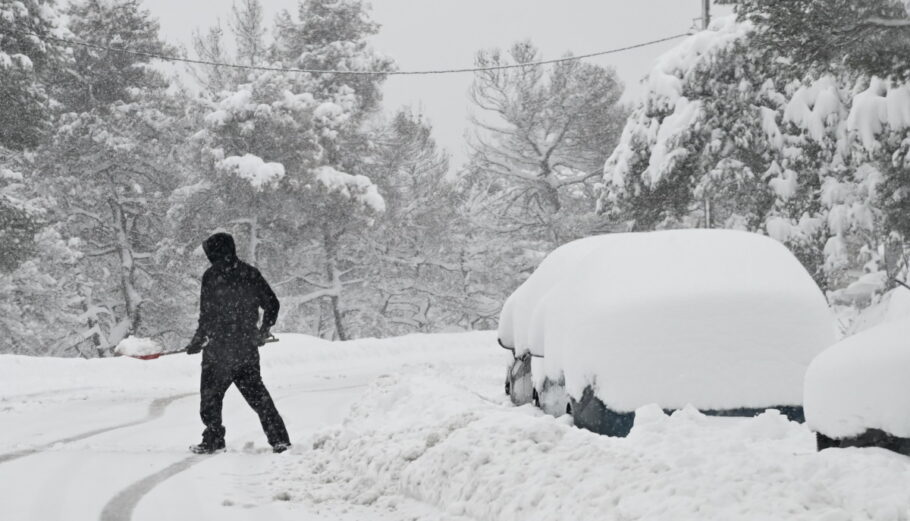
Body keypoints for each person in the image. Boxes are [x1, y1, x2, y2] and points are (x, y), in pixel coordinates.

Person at [186, 232, 291, 454]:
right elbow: (271, 303)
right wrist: (263, 330)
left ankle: (215, 438)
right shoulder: (248, 274)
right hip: (241, 349)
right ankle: (278, 440)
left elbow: (206, 314)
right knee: (257, 398)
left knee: (211, 400)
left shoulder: (214, 276)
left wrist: (199, 339)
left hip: (221, 351)